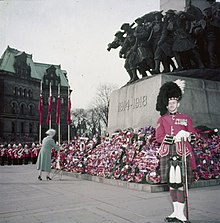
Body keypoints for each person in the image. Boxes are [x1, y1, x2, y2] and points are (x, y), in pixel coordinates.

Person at [155, 80, 197, 223]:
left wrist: (186, 135)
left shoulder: (186, 118)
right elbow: (158, 137)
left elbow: (194, 135)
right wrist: (173, 138)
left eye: (174, 103)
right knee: (172, 183)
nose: (171, 105)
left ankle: (182, 213)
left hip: (182, 152)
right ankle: (175, 211)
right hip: (168, 152)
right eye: (169, 103)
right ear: (166, 105)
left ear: (178, 103)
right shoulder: (162, 119)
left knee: (181, 183)